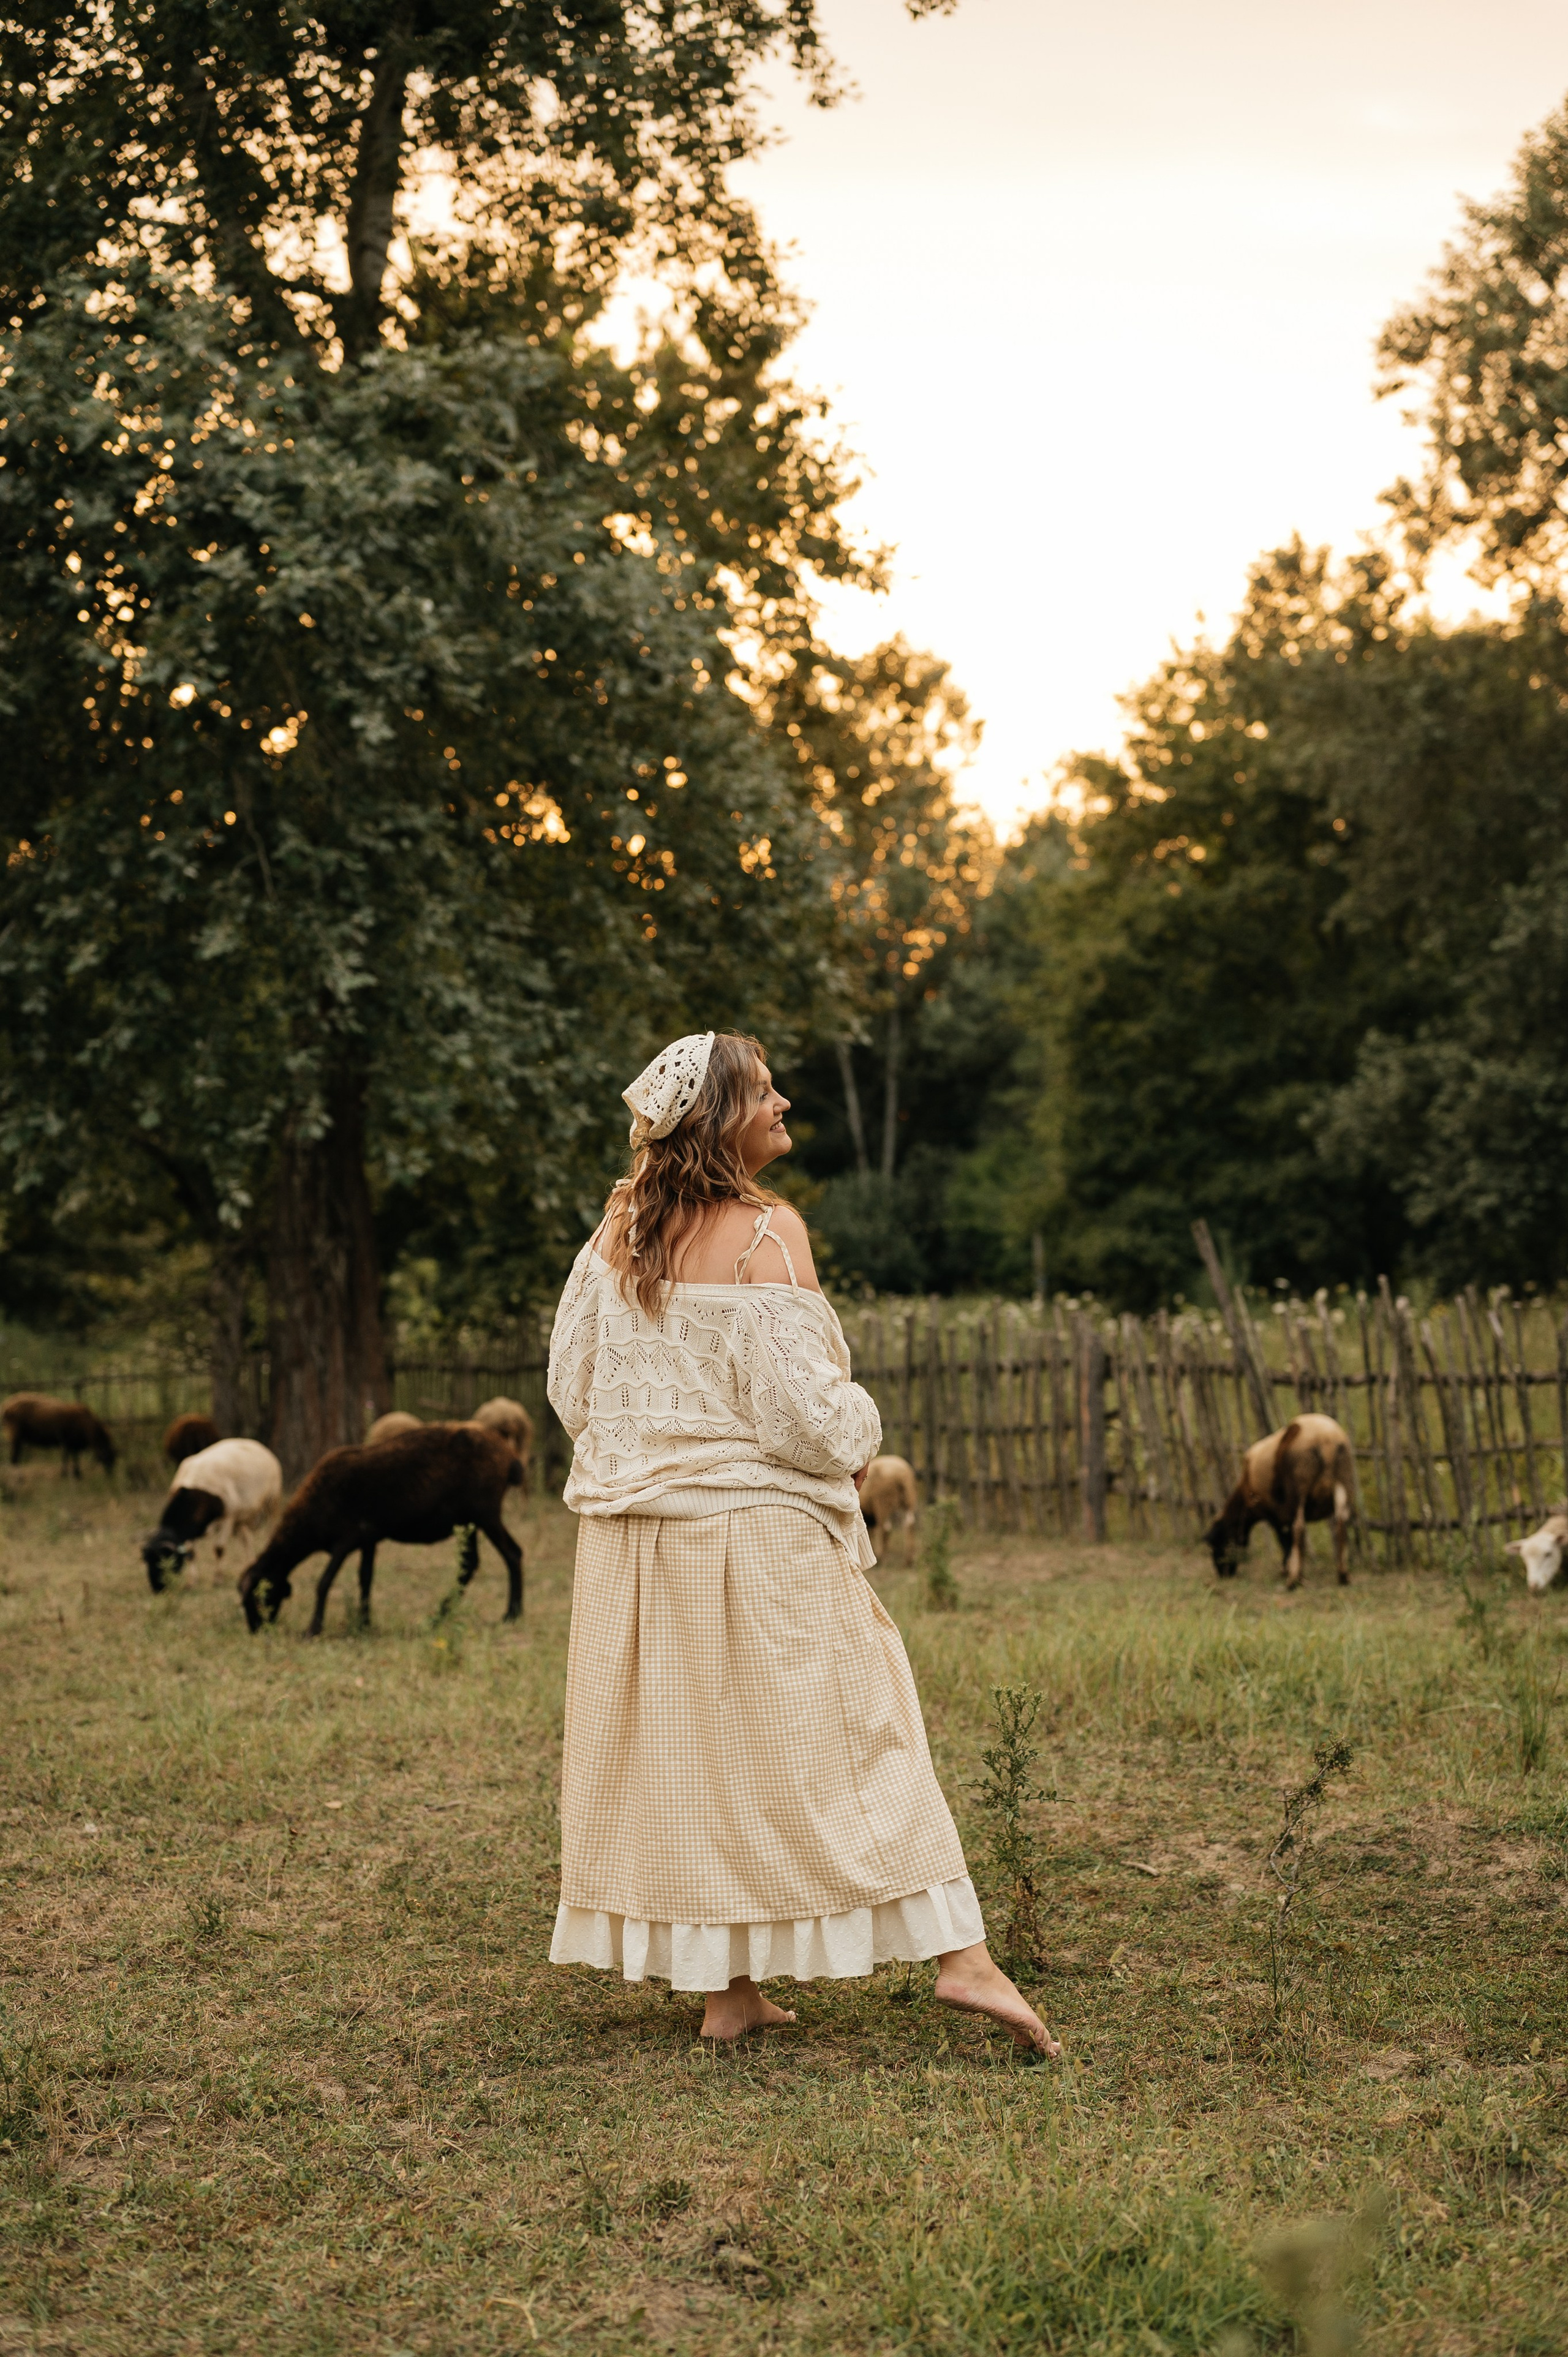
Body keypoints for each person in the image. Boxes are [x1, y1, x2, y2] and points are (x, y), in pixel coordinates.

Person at [546, 1029, 1060, 2056]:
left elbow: (571, 1391)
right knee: (864, 1729)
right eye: (766, 1091)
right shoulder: (766, 1234)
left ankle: (728, 1992)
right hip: (755, 1537)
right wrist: (859, 1437)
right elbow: (814, 1423)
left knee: (696, 1754)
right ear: (719, 1117)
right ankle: (962, 1959)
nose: (785, 1103)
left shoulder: (616, 1238)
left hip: (636, 1549)